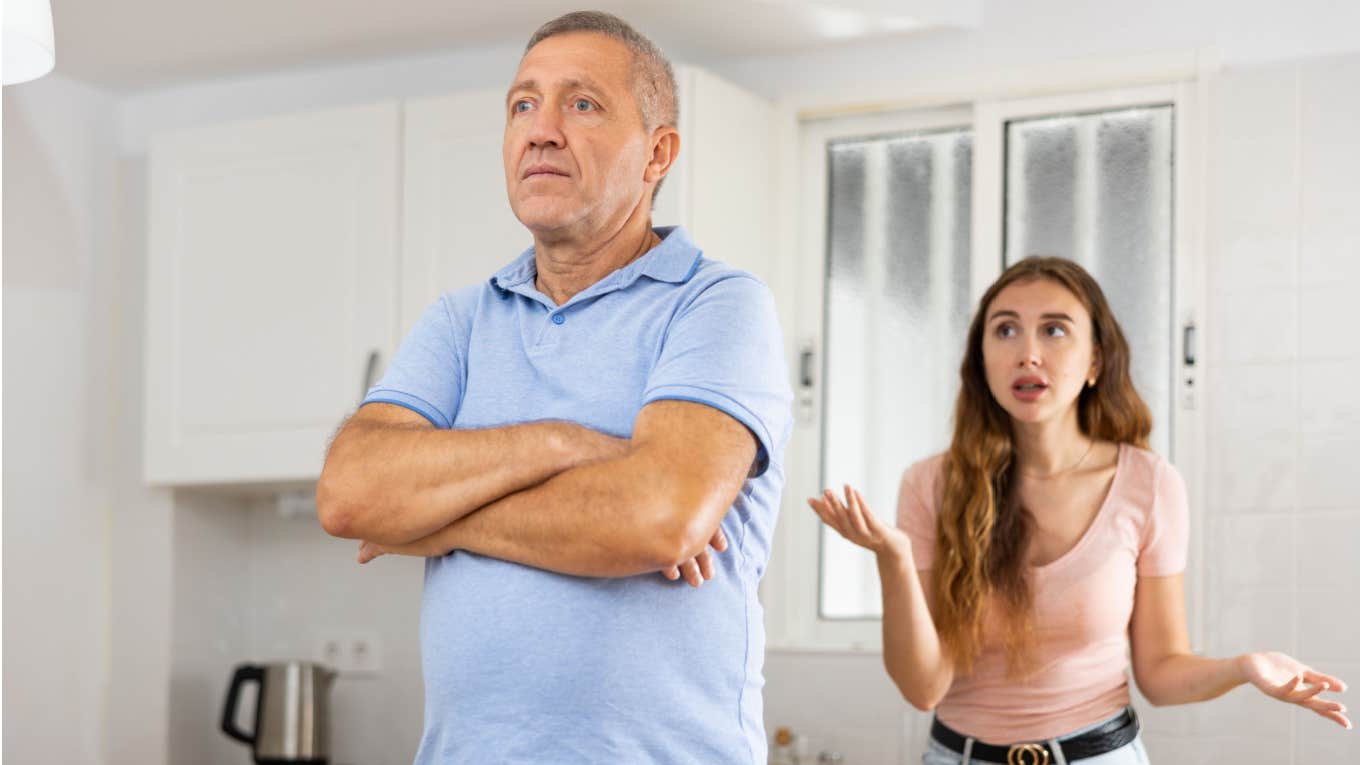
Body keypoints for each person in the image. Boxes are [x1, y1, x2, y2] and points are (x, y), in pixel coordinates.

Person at [316, 11, 792, 764]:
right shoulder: (461, 321)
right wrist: (565, 442)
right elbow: (349, 493)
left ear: (658, 153)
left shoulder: (718, 304)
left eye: (582, 103)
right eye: (522, 104)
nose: (540, 129)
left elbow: (658, 518)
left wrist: (436, 523)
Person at [809, 256, 1349, 764]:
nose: (1028, 353)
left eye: (1054, 329)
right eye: (1005, 329)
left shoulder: (1149, 484)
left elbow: (1159, 674)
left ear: (1095, 360)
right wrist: (894, 559)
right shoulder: (931, 485)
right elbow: (923, 688)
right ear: (982, 362)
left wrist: (1243, 668)